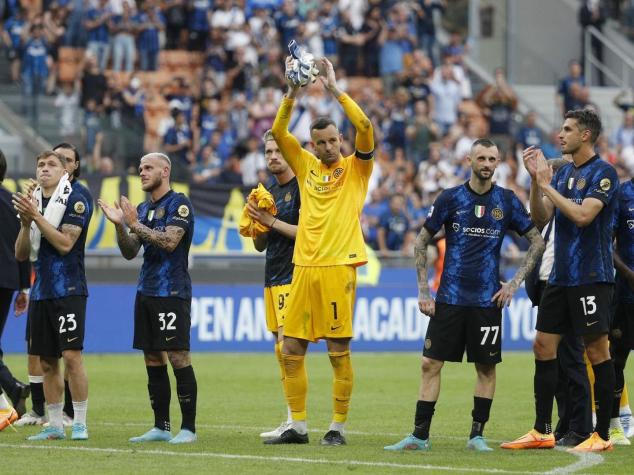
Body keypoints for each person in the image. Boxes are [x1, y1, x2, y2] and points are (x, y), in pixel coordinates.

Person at [384, 138, 545, 452]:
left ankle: (477, 436)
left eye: (492, 159)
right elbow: (420, 241)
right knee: (430, 364)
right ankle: (419, 436)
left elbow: (537, 241)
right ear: (469, 161)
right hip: (449, 299)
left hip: (487, 301)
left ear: (497, 163)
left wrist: (513, 284)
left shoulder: (508, 201)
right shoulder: (450, 198)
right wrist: (422, 289)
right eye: (481, 158)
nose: (487, 164)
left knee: (485, 368)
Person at [264, 57, 374, 446]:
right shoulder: (305, 164)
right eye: (321, 143)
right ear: (312, 145)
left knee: (337, 349)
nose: (328, 147)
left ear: (340, 141)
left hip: (337, 268)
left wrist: (332, 88)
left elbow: (365, 126)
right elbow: (278, 130)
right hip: (303, 267)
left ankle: (337, 427)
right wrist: (292, 93)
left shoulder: (356, 169)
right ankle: (297, 425)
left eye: (333, 141)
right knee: (289, 346)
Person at [501, 109, 619, 452]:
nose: (560, 134)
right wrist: (539, 189)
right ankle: (542, 429)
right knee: (542, 346)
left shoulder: (604, 173)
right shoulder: (565, 174)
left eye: (567, 130)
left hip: (591, 277)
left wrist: (545, 185)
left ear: (585, 135)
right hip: (560, 277)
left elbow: (583, 216)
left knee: (597, 351)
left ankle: (603, 436)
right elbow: (541, 219)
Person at [98, 152, 198, 444]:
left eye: (148, 168)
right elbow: (130, 251)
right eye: (140, 168)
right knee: (153, 357)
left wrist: (135, 224)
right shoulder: (141, 208)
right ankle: (161, 426)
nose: (141, 172)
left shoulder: (179, 203)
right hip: (146, 291)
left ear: (165, 171)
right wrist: (120, 224)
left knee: (178, 356)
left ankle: (188, 429)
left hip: (172, 292)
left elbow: (169, 242)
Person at [13, 150, 91, 441]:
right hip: (42, 291)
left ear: (64, 172)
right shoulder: (33, 202)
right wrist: (24, 223)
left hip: (69, 289)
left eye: (51, 165)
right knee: (47, 361)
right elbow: (20, 254)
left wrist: (35, 217)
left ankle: (80, 422)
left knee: (72, 356)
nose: (44, 169)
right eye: (41, 164)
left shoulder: (76, 200)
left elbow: (65, 244)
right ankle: (56, 425)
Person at [524, 156, 594, 447]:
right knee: (557, 360)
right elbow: (538, 217)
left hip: (568, 283)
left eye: (549, 174)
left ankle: (580, 426)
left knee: (572, 358)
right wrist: (533, 182)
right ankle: (565, 424)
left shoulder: (575, 202)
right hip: (546, 285)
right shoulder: (552, 201)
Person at [247, 130, 300, 439]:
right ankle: (292, 417)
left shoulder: (302, 188)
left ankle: (297, 420)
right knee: (280, 350)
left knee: (287, 347)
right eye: (268, 152)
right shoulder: (268, 191)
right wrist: (255, 222)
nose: (272, 156)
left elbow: (308, 233)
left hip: (294, 276)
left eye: (278, 151)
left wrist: (271, 222)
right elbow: (261, 245)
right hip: (272, 277)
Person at [0, 150, 31, 431]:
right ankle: (14, 389)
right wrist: (23, 287)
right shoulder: (14, 203)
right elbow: (23, 245)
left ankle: (11, 392)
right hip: (8, 280)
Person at [609, 176, 634, 445]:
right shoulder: (622, 194)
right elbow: (607, 241)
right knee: (617, 359)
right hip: (626, 296)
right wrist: (628, 274)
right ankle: (615, 424)